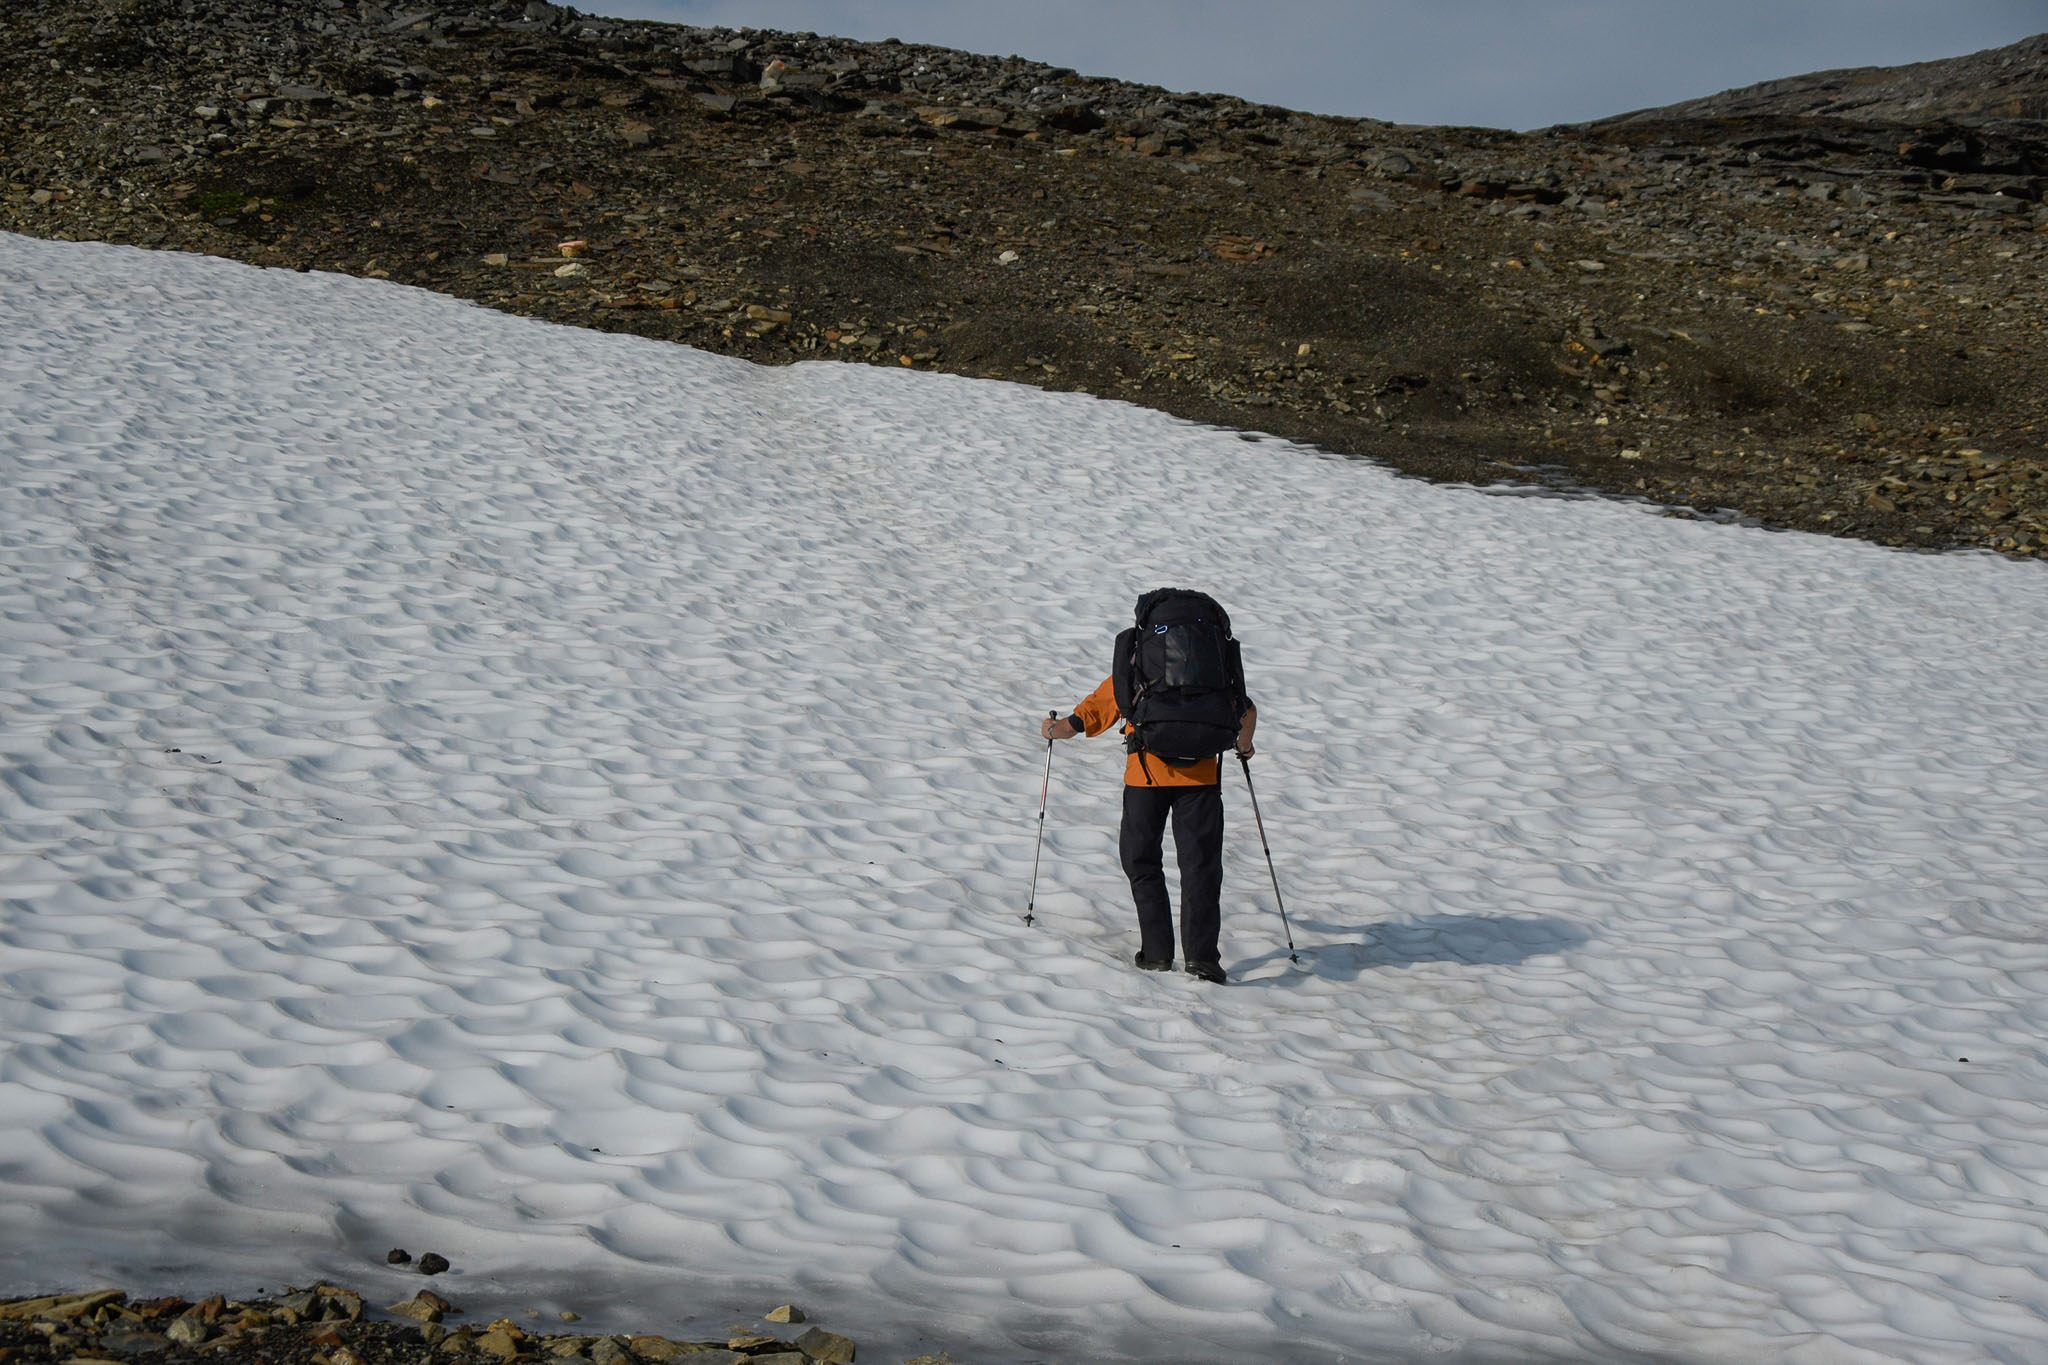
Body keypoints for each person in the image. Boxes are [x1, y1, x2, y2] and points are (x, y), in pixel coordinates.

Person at [1039, 625, 1256, 984]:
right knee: (1200, 868)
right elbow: (1246, 713)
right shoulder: (1212, 672)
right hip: (1200, 781)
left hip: (1145, 778)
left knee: (1141, 861)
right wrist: (1244, 748)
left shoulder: (1140, 666)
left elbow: (1088, 716)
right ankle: (1202, 959)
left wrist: (1052, 729)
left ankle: (1156, 954)